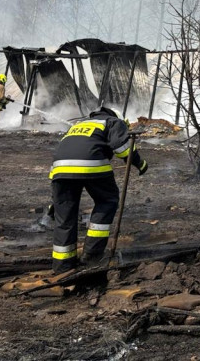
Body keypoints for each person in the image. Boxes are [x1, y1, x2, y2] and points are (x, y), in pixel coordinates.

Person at [49, 106, 148, 273]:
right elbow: (122, 148)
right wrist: (140, 164)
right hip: (91, 164)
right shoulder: (113, 121)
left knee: (64, 215)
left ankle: (62, 266)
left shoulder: (79, 125)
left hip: (59, 169)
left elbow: (69, 150)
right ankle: (92, 256)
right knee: (107, 201)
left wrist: (55, 202)